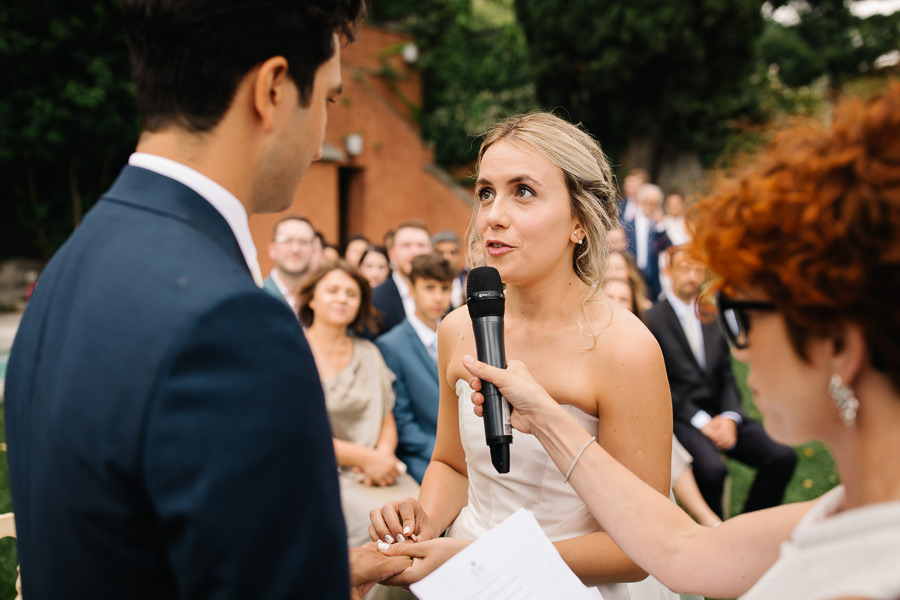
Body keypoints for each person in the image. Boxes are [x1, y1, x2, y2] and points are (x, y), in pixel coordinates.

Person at [1, 1, 414, 597]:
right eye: (327, 98)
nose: (323, 140)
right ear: (272, 88)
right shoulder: (233, 325)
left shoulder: (75, 257)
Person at [461, 84, 900, 599]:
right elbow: (684, 552)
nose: (739, 348)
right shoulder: (854, 511)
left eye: (740, 313)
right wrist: (546, 416)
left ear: (839, 347)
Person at [370, 112, 679, 600]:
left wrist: (487, 559)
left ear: (580, 220)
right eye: (487, 192)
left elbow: (638, 549)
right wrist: (422, 524)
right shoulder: (459, 327)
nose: (494, 214)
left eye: (524, 191)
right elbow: (452, 464)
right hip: (464, 568)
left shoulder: (626, 349)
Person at [646, 246, 797, 518]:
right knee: (712, 471)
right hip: (683, 418)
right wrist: (704, 422)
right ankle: (714, 531)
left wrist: (729, 417)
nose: (692, 275)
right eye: (684, 268)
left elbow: (726, 376)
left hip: (721, 411)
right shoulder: (651, 320)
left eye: (697, 268)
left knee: (782, 457)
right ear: (668, 272)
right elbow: (658, 386)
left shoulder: (711, 315)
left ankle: (751, 525)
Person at [299, 261, 420, 548]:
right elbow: (296, 434)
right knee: (382, 531)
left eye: (351, 294)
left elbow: (386, 416)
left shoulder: (369, 352)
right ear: (312, 298)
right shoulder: (293, 352)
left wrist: (384, 458)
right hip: (320, 472)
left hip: (380, 471)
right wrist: (367, 459)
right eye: (333, 290)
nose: (342, 298)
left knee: (418, 518)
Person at [603, 275, 722, 528]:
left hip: (652, 422)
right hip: (604, 426)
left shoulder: (641, 346)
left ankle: (696, 519)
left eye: (623, 299)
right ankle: (698, 519)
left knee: (660, 437)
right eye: (609, 297)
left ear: (634, 308)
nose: (616, 304)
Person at [376, 253, 455, 483]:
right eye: (429, 288)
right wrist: (448, 454)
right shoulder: (390, 345)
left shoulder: (459, 335)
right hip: (422, 457)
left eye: (444, 288)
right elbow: (401, 419)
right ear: (411, 290)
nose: (438, 297)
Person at [371, 220, 433, 335]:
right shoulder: (374, 299)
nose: (414, 252)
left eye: (421, 245)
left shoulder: (444, 298)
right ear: (392, 254)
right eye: (406, 245)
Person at [625, 183, 672, 302]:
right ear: (639, 202)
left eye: (654, 203)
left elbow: (669, 249)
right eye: (647, 202)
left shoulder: (659, 227)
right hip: (631, 276)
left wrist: (660, 224)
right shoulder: (628, 225)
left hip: (652, 280)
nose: (650, 206)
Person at [263, 214, 318, 311]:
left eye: (303, 242)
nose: (295, 249)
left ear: (313, 250)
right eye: (287, 241)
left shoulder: (322, 298)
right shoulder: (257, 295)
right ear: (272, 249)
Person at [431, 230, 467, 308]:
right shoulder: (427, 282)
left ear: (460, 254)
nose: (447, 257)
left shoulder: (466, 278)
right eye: (440, 253)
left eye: (452, 252)